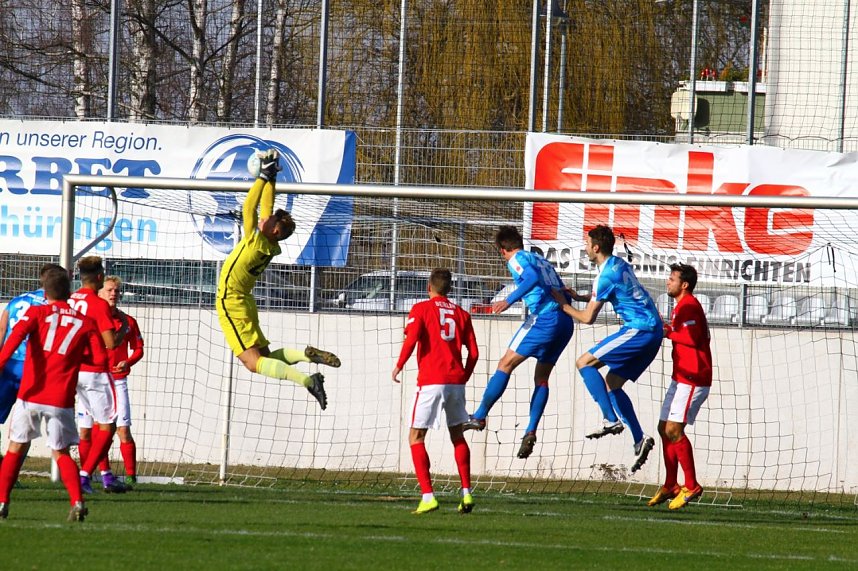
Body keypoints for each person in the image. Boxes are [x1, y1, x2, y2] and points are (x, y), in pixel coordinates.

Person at [216, 149, 340, 410]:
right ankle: (305, 357)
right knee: (266, 357)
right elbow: (266, 208)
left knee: (253, 364)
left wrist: (261, 178)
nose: (265, 216)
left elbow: (250, 206)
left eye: (269, 219)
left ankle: (307, 380)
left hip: (231, 302)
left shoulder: (254, 239)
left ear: (273, 229)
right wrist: (272, 176)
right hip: (246, 301)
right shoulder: (269, 245)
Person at [0, 267, 109, 521]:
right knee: (61, 452)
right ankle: (77, 502)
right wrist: (73, 357)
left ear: (45, 290)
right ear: (69, 291)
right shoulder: (85, 322)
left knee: (16, 446)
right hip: (61, 399)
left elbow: (13, 340)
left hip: (30, 394)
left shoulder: (36, 313)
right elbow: (99, 358)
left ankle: (3, 501)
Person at [551, 225, 662, 473]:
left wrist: (563, 305)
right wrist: (580, 298)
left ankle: (611, 420)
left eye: (587, 244)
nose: (585, 248)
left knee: (583, 362)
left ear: (596, 247)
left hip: (639, 329)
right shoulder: (618, 264)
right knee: (612, 382)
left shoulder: (604, 276)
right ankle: (639, 439)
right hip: (652, 331)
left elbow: (588, 317)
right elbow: (610, 294)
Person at [463, 225, 573, 460]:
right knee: (541, 378)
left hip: (545, 319)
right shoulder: (541, 260)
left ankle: (480, 415)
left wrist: (509, 299)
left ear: (503, 249)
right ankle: (530, 430)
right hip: (565, 322)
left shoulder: (517, 259)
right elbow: (559, 287)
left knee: (505, 364)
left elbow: (531, 278)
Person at [392, 269, 479, 514]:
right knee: (458, 437)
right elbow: (473, 354)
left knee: (416, 437)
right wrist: (463, 378)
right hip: (455, 383)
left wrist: (398, 365)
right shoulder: (462, 314)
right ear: (449, 289)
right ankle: (466, 494)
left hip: (431, 382)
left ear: (428, 287)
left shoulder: (420, 309)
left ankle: (428, 496)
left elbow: (411, 340)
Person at [648, 263, 712, 510]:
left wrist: (666, 332)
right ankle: (671, 484)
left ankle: (692, 485)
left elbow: (693, 339)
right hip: (681, 376)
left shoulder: (689, 306)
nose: (668, 282)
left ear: (684, 284)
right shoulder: (682, 306)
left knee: (674, 429)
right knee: (664, 427)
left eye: (672, 279)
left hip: (694, 378)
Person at [70, 255, 129, 494]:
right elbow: (111, 343)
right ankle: (85, 477)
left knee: (88, 426)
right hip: (95, 371)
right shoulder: (98, 304)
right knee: (107, 426)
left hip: (74, 371)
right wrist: (123, 324)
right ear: (99, 277)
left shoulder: (71, 299)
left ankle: (104, 475)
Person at [81, 276, 142, 486]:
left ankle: (132, 477)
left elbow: (139, 349)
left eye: (116, 290)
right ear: (100, 292)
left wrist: (128, 361)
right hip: (93, 379)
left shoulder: (128, 321)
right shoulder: (91, 318)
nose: (113, 294)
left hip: (117, 380)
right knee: (89, 430)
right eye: (109, 290)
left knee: (122, 429)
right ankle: (99, 474)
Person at [0, 263, 65, 442]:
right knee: (25, 426)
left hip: (8, 364)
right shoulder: (51, 304)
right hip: (33, 367)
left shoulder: (16, 300)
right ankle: (14, 466)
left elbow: (2, 329)